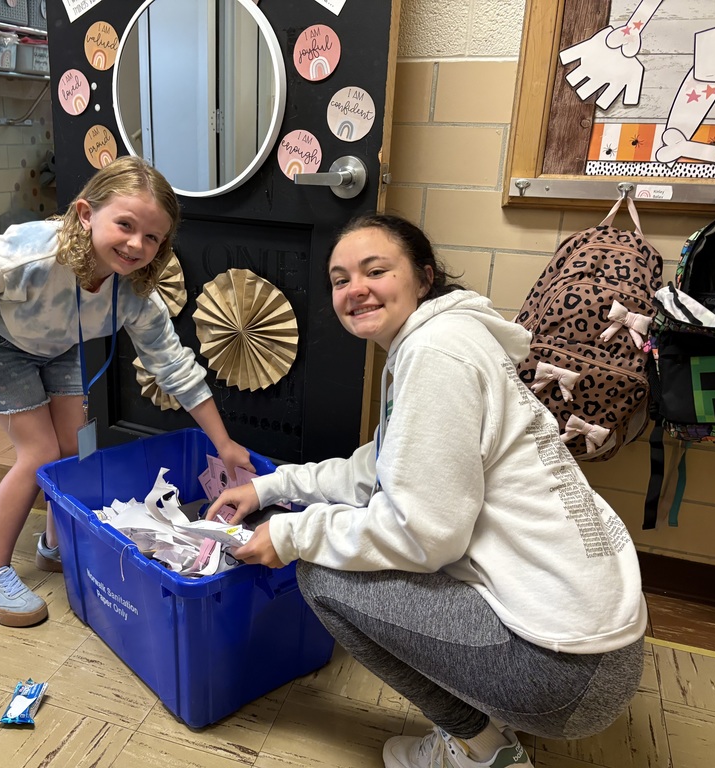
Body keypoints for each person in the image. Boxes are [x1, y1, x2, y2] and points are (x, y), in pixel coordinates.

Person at [207, 213, 647, 768]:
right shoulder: (447, 336)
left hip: (564, 676)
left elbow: (424, 534)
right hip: (599, 644)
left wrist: (293, 532)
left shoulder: (436, 355)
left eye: (376, 270)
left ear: (423, 276)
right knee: (371, 538)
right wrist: (274, 485)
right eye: (341, 279)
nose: (355, 289)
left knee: (320, 574)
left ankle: (478, 749)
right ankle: (494, 709)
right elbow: (382, 465)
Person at [0, 156, 253, 628]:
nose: (137, 244)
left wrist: (224, 443)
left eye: (152, 237)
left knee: (74, 450)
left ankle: (54, 545)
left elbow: (173, 366)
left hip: (59, 345)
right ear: (86, 214)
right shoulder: (30, 255)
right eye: (125, 225)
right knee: (40, 452)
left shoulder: (133, 291)